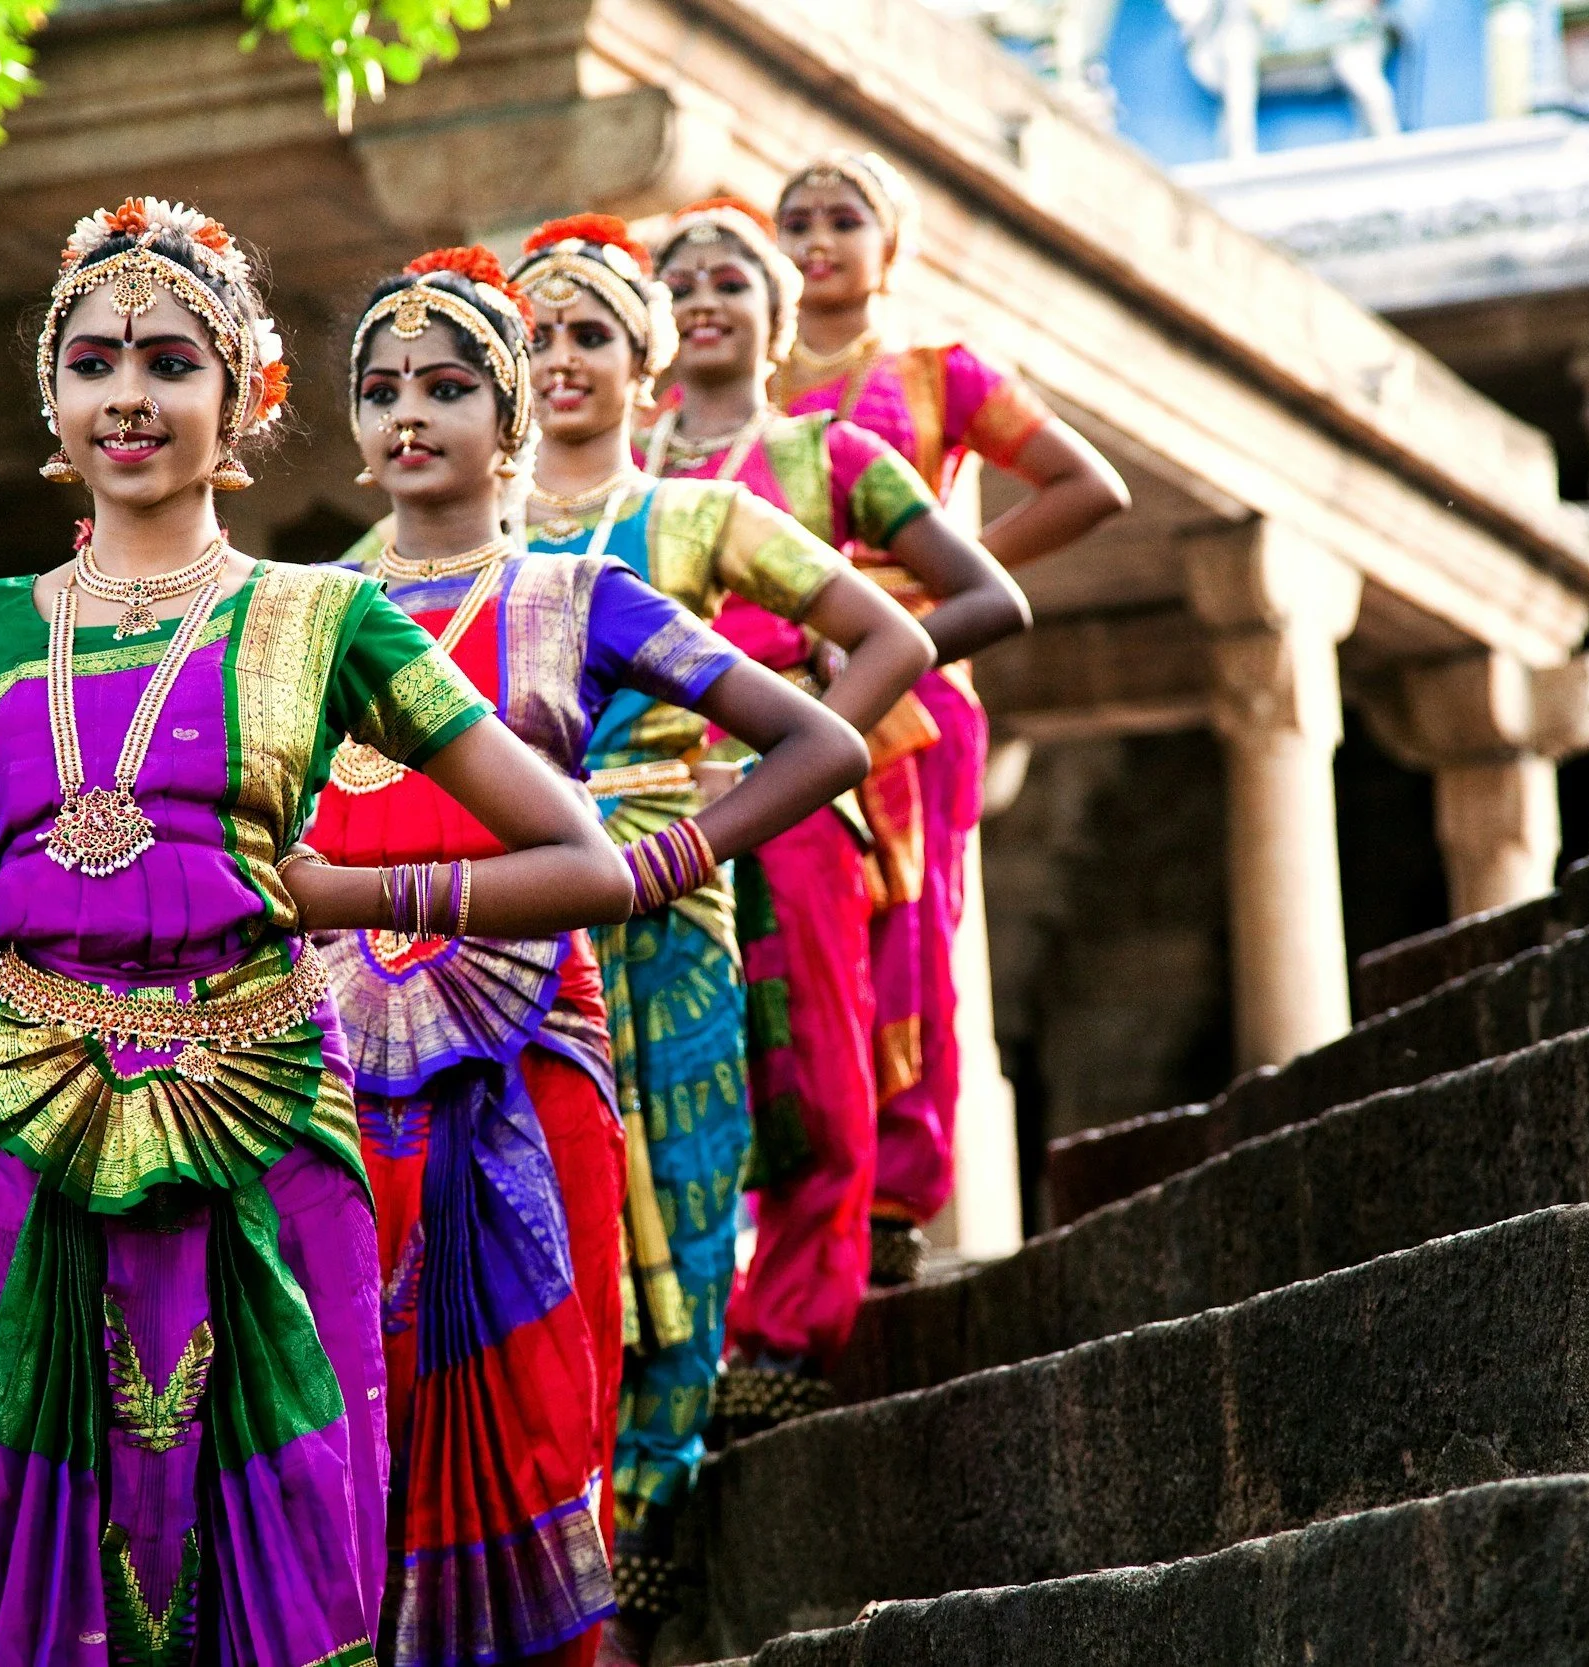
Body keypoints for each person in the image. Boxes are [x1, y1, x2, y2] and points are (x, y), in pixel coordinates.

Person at [0, 198, 634, 1667]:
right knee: (4, 1546)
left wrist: (359, 893)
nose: (127, 395)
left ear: (245, 397)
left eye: (167, 360)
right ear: (54, 402)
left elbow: (577, 855)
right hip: (23, 1130)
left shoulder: (326, 618)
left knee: (298, 1549)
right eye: (91, 363)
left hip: (269, 1117)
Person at [303, 245, 874, 1667]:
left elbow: (824, 735)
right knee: (352, 1406)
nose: (408, 417)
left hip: (532, 1035)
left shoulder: (577, 592)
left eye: (445, 386)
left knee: (543, 1395)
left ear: (510, 420)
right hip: (334, 1052)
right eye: (380, 392)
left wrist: (665, 857)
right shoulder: (299, 613)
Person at [506, 214, 934, 1653]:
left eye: (589, 338)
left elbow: (899, 640)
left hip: (669, 886)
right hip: (508, 929)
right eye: (537, 338)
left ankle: (652, 1519)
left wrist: (714, 819)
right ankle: (552, 1526)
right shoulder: (426, 545)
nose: (560, 363)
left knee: (682, 1214)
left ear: (645, 371)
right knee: (533, 1228)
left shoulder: (691, 514)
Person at [640, 196, 1030, 1423]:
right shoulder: (623, 472)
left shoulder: (831, 454)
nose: (705, 295)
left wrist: (826, 684)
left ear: (776, 323)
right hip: (635, 797)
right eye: (682, 280)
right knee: (670, 1077)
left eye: (733, 279)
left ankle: (794, 1323)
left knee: (812, 1051)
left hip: (794, 781)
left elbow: (975, 599)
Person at [772, 152, 1130, 1284]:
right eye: (795, 221)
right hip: (771, 684)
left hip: (916, 685)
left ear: (894, 242)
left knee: (910, 930)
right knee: (790, 941)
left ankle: (893, 1197)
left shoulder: (940, 371)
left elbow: (1086, 484)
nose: (816, 240)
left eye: (842, 219)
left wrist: (930, 584)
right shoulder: (739, 387)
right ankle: (798, 1195)